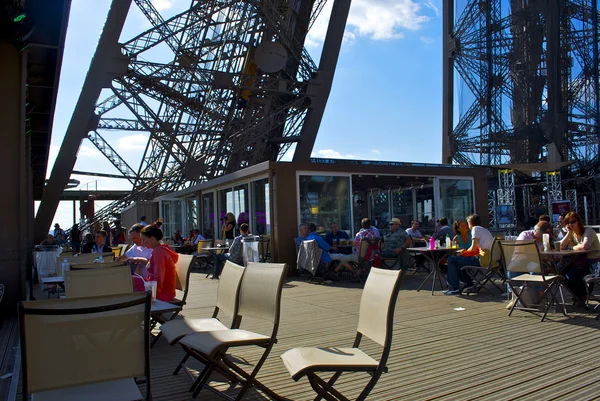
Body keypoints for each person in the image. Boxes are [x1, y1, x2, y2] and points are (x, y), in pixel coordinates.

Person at [444, 214, 494, 295]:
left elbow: (473, 249)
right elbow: (476, 249)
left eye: (467, 223)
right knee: (457, 261)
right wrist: (464, 254)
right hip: (490, 259)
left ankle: (454, 287)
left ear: (470, 223)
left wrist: (462, 254)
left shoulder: (475, 229)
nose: (467, 226)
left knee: (452, 259)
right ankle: (469, 283)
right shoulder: (484, 230)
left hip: (483, 260)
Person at [558, 211, 600, 304]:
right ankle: (578, 295)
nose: (570, 224)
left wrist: (573, 247)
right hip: (582, 263)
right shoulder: (572, 234)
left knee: (572, 275)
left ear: (579, 222)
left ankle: (582, 295)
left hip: (594, 264)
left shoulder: (588, 231)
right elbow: (561, 246)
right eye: (568, 223)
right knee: (562, 274)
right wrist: (569, 233)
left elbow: (585, 246)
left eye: (573, 222)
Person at [141, 225, 179, 302]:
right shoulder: (161, 250)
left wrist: (152, 296)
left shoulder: (159, 253)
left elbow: (158, 279)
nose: (142, 243)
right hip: (163, 291)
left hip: (162, 293)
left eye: (144, 240)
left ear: (152, 238)